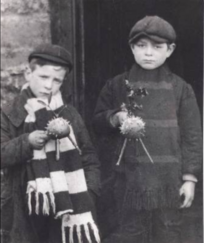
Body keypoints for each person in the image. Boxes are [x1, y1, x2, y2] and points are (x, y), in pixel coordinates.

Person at [93, 16, 202, 243]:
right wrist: (115, 118)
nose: (149, 53)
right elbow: (96, 124)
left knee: (168, 233)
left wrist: (190, 179)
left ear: (170, 50)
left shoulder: (181, 89)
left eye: (157, 47)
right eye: (141, 46)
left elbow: (193, 136)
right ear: (132, 48)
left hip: (168, 183)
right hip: (126, 182)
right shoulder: (116, 85)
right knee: (128, 233)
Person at [1, 44, 101, 243]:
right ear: (28, 73)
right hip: (23, 203)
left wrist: (89, 192)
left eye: (57, 81)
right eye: (44, 77)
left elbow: (89, 157)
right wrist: (27, 142)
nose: (49, 86)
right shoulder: (9, 112)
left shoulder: (68, 114)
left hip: (68, 202)